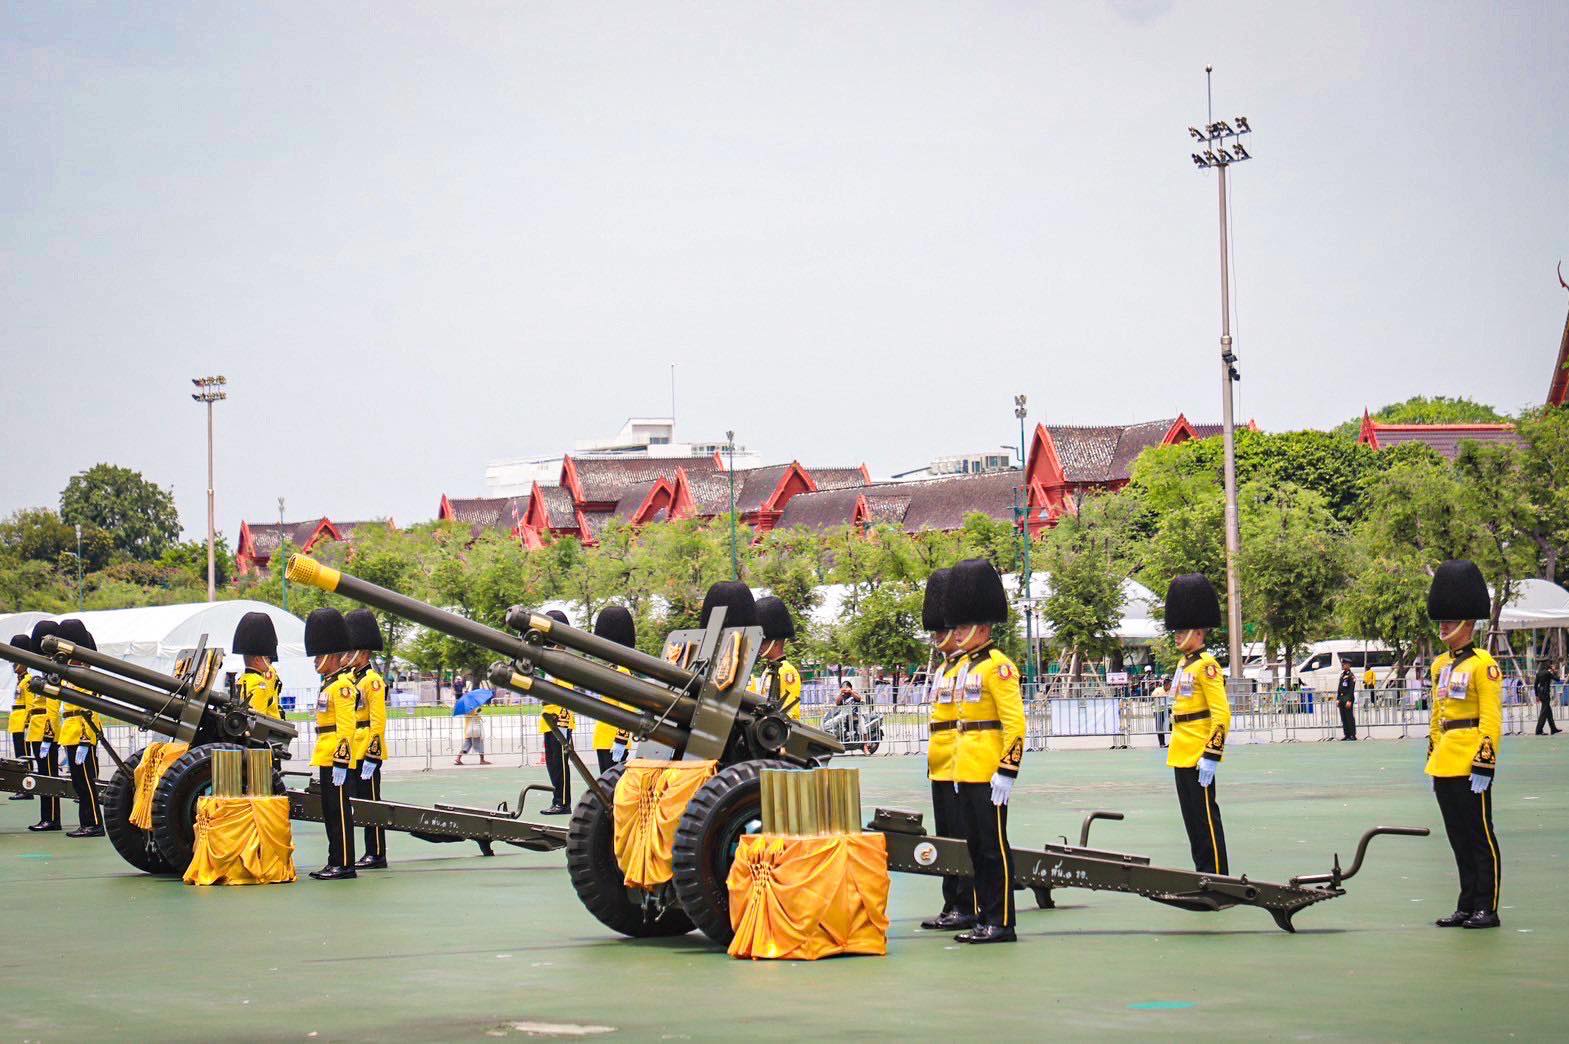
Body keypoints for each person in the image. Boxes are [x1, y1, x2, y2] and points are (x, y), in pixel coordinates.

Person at [940, 559, 1025, 944]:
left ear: (984, 627)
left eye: (963, 626)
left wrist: (1007, 770)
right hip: (967, 770)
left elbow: (1015, 724)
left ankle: (1002, 922)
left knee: (994, 850)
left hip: (990, 772)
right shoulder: (965, 667)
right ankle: (984, 917)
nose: (956, 633)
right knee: (976, 850)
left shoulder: (998, 667)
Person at [1424, 560, 1504, 929]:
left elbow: (1491, 717)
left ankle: (1487, 907)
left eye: (1451, 620)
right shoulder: (1440, 665)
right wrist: (1433, 752)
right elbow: (1437, 715)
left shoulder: (1483, 665)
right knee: (1458, 838)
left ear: (1468, 624)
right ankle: (1466, 903)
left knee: (1479, 836)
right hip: (1445, 761)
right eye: (1442, 620)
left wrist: (1485, 760)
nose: (1443, 626)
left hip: (1472, 760)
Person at [916, 567, 977, 932]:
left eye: (944, 630)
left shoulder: (968, 668)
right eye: (937, 631)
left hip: (959, 765)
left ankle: (967, 904)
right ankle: (952, 901)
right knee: (947, 838)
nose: (939, 636)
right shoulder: (944, 670)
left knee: (962, 839)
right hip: (940, 764)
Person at [1163, 573, 1231, 876]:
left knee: (1205, 820)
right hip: (1181, 750)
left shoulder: (1207, 666)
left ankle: (1217, 876)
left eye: (1182, 630)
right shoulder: (1184, 664)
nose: (1176, 636)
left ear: (1199, 632)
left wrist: (1212, 754)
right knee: (1192, 820)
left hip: (1198, 753)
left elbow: (1221, 714)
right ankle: (1203, 872)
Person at [304, 608, 360, 881]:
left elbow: (347, 725)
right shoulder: (329, 684)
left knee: (339, 812)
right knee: (330, 812)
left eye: (319, 656)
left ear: (332, 656)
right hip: (326, 753)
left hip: (336, 756)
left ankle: (345, 863)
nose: (316, 660)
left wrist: (342, 758)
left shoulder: (342, 686)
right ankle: (335, 860)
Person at [345, 609, 390, 871]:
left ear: (363, 653)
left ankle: (376, 853)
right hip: (353, 748)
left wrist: (373, 752)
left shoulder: (372, 681)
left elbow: (378, 720)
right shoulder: (352, 679)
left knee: (371, 804)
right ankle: (365, 851)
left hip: (366, 749)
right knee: (356, 803)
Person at [53, 620, 105, 838]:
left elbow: (89, 708)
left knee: (86, 782)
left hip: (81, 733)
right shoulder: (72, 673)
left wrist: (85, 738)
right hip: (71, 732)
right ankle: (86, 822)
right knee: (79, 783)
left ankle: (94, 823)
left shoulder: (85, 675)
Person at [590, 605, 639, 772]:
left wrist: (621, 740)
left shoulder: (622, 671)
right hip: (604, 739)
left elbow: (627, 709)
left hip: (612, 741)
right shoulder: (613, 668)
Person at [25, 621, 63, 832]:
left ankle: (52, 818)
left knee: (49, 777)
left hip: (45, 731)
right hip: (37, 729)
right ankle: (46, 817)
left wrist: (49, 733)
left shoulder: (51, 671)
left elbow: (52, 705)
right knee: (43, 776)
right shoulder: (42, 668)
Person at [538, 609, 576, 814]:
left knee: (560, 764)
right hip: (549, 720)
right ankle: (557, 800)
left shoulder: (562, 659)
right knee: (553, 764)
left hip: (559, 719)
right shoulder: (551, 657)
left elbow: (565, 692)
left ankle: (563, 802)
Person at [750, 596, 803, 721]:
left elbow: (791, 710)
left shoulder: (787, 672)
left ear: (776, 642)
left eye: (764, 641)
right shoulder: (768, 670)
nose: (760, 646)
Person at [232, 612, 283, 718]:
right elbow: (258, 718)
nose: (269, 661)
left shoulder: (241, 679)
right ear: (257, 660)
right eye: (267, 658)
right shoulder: (260, 684)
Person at [8, 633, 36, 803]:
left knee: (24, 758)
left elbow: (31, 705)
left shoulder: (28, 680)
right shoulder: (21, 680)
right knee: (20, 757)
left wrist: (27, 723)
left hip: (23, 724)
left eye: (15, 663)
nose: (13, 666)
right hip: (17, 723)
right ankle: (23, 787)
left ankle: (27, 788)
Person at [1536, 663, 1561, 735]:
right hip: (1545, 694)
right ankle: (1538, 730)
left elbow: (1535, 685)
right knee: (1543, 713)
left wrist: (1536, 695)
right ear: (1548, 667)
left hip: (1540, 693)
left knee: (1548, 712)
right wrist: (1554, 671)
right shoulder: (1548, 673)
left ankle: (1553, 729)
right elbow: (1558, 679)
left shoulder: (1538, 674)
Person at [1336, 662, 1358, 740]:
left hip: (1347, 698)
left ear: (1349, 665)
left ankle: (1352, 735)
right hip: (1341, 698)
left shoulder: (1351, 676)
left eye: (1344, 664)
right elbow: (1339, 688)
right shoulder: (1342, 675)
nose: (1343, 665)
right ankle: (1347, 734)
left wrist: (1349, 700)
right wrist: (1338, 699)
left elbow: (1351, 689)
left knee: (1349, 717)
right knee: (1343, 717)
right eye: (1342, 664)